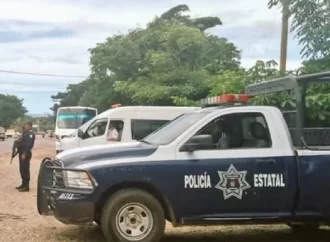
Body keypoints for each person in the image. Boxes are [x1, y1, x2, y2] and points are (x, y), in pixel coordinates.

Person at [16, 122, 35, 192]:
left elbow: (29, 144)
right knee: (22, 169)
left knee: (25, 169)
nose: (25, 126)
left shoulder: (30, 133)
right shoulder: (24, 132)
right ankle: (23, 184)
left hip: (25, 153)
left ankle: (26, 187)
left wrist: (25, 153)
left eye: (27, 125)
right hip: (22, 152)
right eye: (25, 125)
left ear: (30, 126)